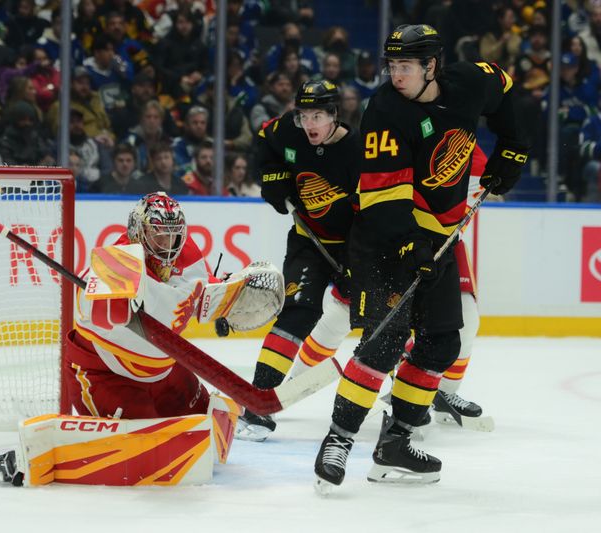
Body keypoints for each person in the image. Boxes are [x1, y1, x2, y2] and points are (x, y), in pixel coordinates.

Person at [313, 24, 527, 493]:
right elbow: (385, 203)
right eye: (392, 66)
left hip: (438, 241)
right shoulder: (386, 109)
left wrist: (512, 146)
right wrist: (413, 248)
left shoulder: (469, 83)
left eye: (405, 66)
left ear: (432, 66)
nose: (396, 75)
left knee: (441, 343)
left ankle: (396, 443)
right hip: (383, 241)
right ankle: (338, 440)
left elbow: (508, 89)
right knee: (384, 344)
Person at [64, 192, 281, 419]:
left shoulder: (187, 252)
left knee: (204, 418)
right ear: (139, 233)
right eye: (158, 235)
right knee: (149, 441)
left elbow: (196, 290)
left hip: (163, 371)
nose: (167, 245)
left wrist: (225, 298)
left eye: (173, 236)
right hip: (105, 374)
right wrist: (103, 299)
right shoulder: (120, 260)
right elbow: (88, 297)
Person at [236, 79, 360, 442]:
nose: (310, 124)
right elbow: (263, 140)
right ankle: (257, 404)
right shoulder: (287, 131)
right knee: (298, 312)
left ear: (335, 115)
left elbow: (370, 213)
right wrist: (274, 178)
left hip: (355, 245)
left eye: (319, 115)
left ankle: (401, 400)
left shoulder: (358, 151)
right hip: (309, 242)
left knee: (381, 317)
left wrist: (355, 262)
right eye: (305, 115)